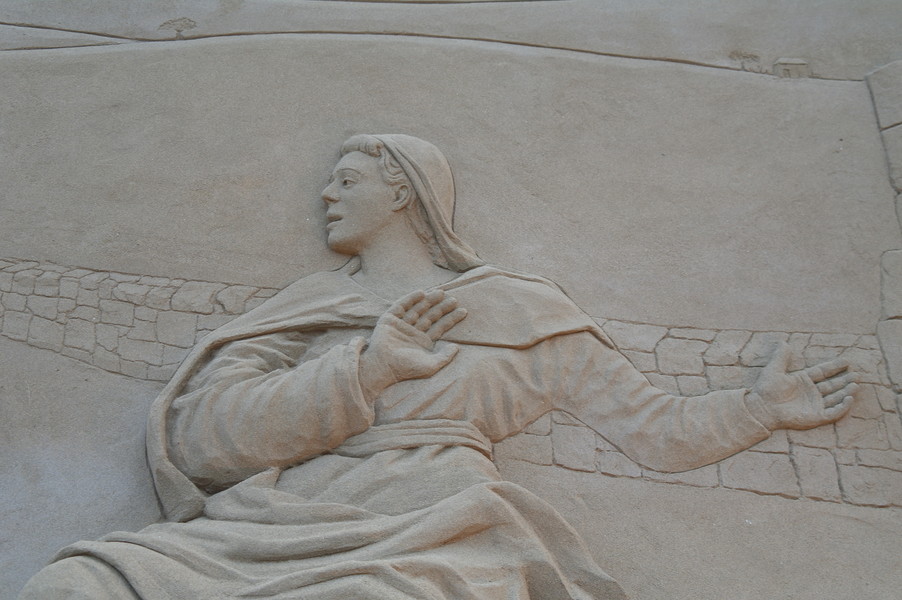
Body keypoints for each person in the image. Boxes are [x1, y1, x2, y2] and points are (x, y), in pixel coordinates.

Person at [20, 134, 859, 599]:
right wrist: (366, 370)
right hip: (267, 526)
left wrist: (760, 409)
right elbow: (205, 439)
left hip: (438, 529)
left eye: (347, 180)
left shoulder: (523, 310)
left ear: (403, 192)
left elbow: (656, 431)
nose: (325, 196)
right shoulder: (308, 306)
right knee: (74, 586)